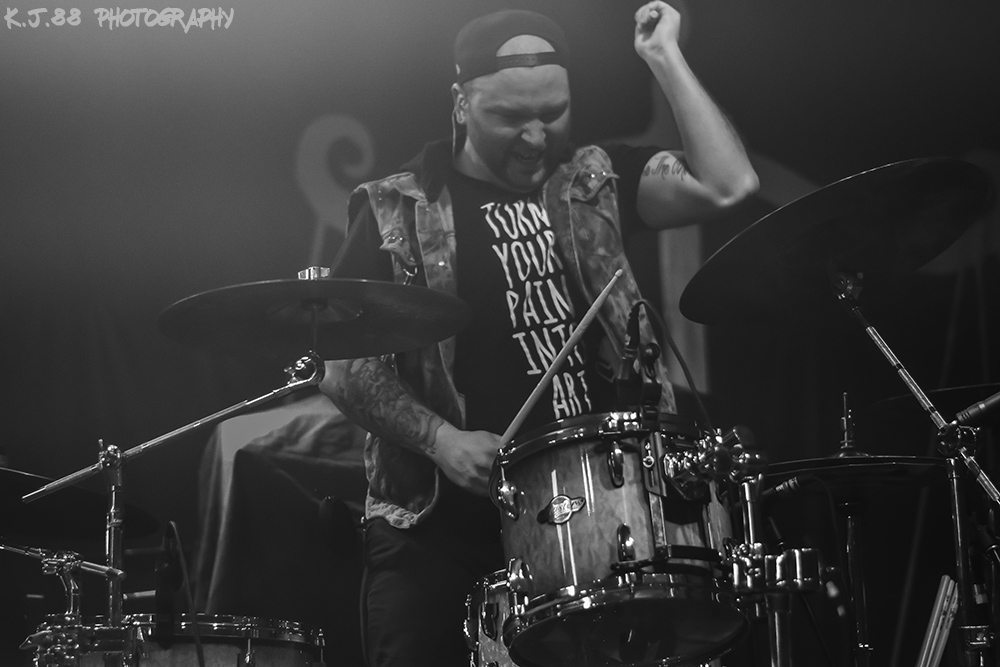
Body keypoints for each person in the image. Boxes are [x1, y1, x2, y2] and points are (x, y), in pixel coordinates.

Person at [319, 3, 758, 666]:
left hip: (596, 517)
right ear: (462, 104)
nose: (533, 136)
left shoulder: (591, 178)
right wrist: (441, 440)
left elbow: (730, 184)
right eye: (510, 118)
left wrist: (664, 55)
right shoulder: (397, 208)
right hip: (442, 525)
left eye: (552, 114)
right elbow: (343, 369)